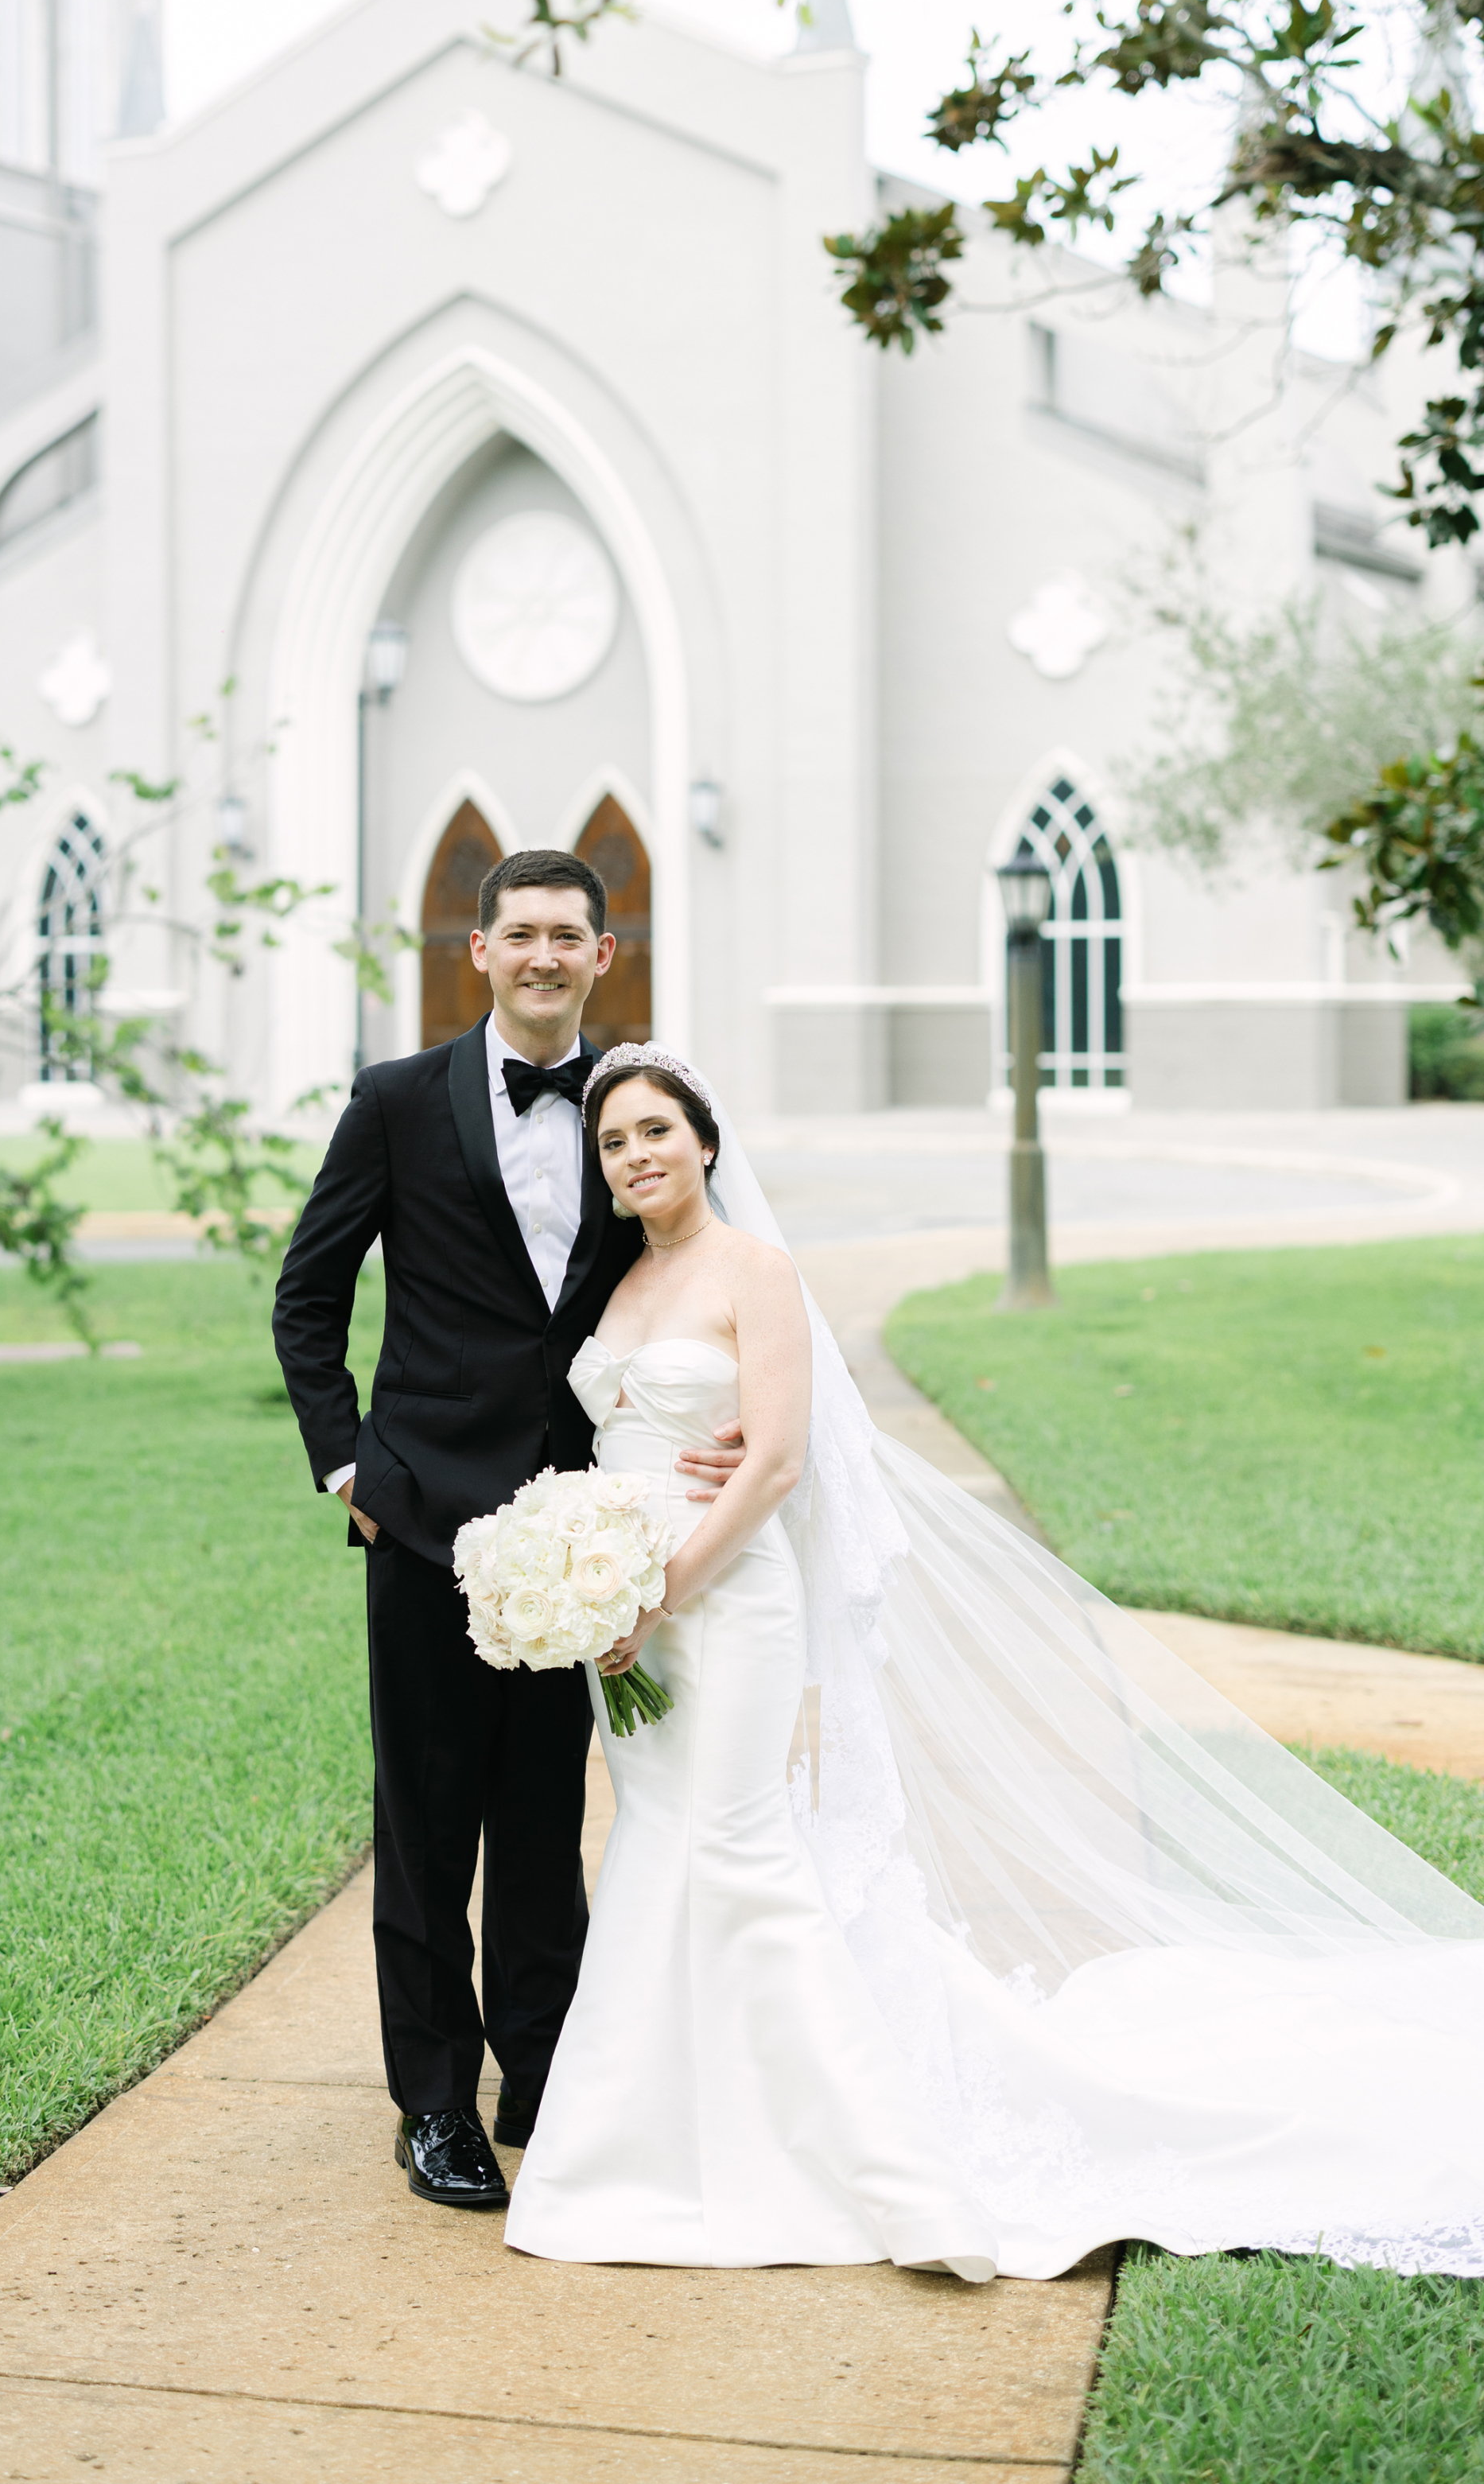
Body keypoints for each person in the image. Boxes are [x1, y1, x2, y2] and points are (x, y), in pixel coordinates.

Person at [505, 1041, 1484, 2280]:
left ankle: (879, 2170)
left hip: (726, 1605)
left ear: (705, 1141)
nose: (636, 1156)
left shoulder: (757, 1270)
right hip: (626, 1622)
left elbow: (779, 1462)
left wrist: (664, 1590)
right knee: (656, 1846)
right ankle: (654, 2150)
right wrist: (588, 1577)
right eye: (613, 1143)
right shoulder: (620, 1287)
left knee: (742, 1847)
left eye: (656, 1132)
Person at [271, 856, 744, 2213]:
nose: (544, 954)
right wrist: (345, 1463)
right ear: (479, 951)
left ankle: (542, 2070)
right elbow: (309, 1299)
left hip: (585, 1526)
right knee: (426, 1822)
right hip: (421, 1514)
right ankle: (434, 2100)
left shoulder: (630, 1111)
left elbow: (696, 1269)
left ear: (606, 958)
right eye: (520, 933)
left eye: (569, 936)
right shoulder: (396, 1102)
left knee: (545, 1818)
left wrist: (704, 1427)